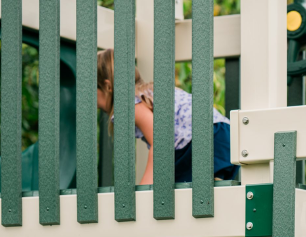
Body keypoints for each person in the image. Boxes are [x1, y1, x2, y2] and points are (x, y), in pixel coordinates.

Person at [96, 49, 239, 185]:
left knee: (174, 186)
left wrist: (146, 187)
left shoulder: (131, 104)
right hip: (222, 135)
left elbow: (159, 142)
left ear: (108, 87)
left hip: (203, 139)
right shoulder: (148, 92)